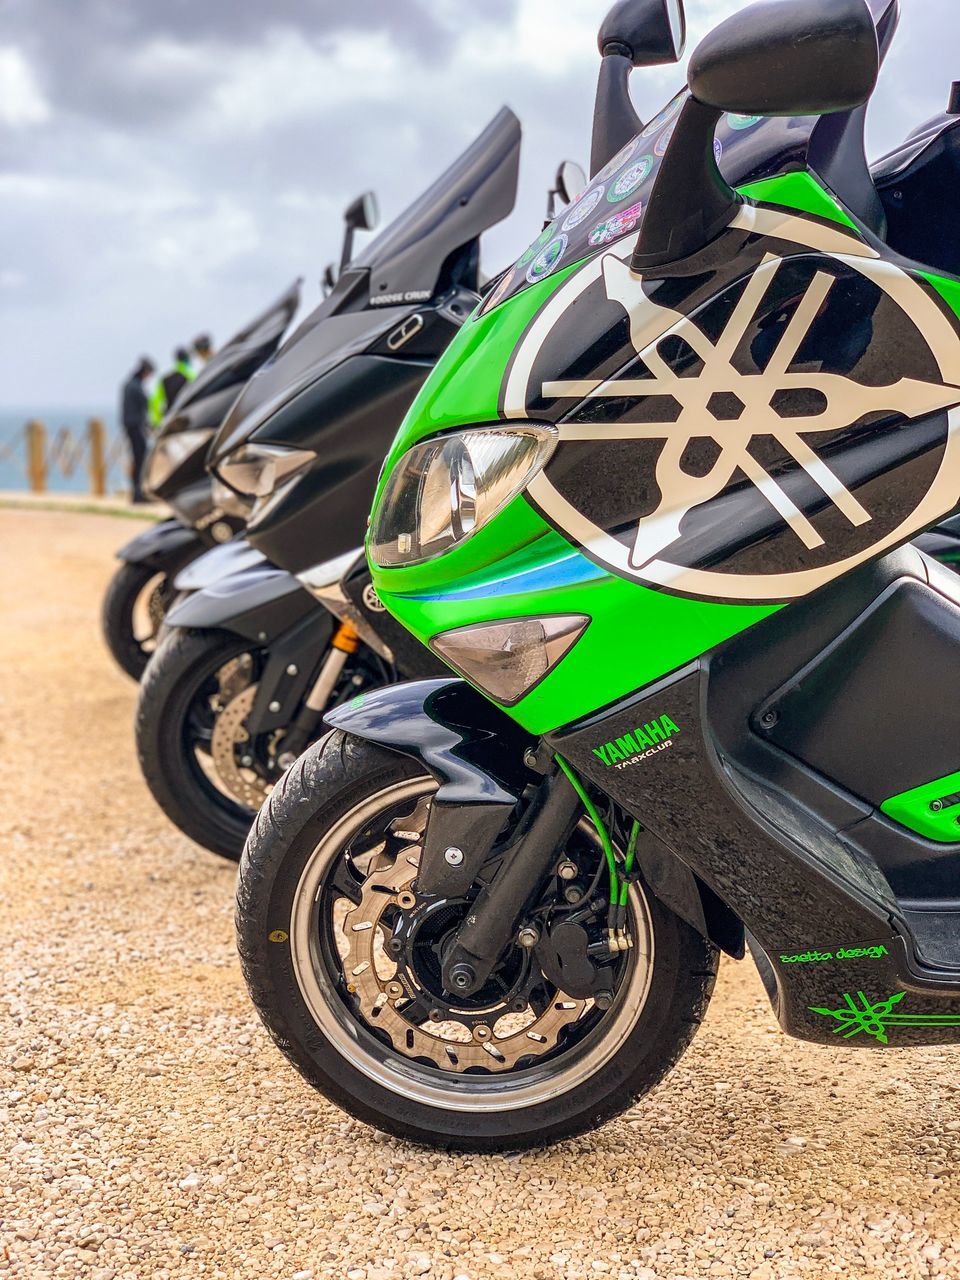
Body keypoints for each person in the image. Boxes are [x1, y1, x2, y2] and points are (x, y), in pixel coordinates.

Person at [120, 357, 156, 503]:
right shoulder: (135, 386)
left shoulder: (130, 384)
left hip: (132, 426)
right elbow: (144, 406)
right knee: (140, 460)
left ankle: (138, 493)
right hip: (136, 427)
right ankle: (138, 494)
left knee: (138, 459)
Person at [149, 346, 195, 426]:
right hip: (188, 419)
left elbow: (154, 403)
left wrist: (158, 422)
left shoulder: (164, 379)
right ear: (187, 359)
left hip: (170, 419)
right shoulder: (190, 376)